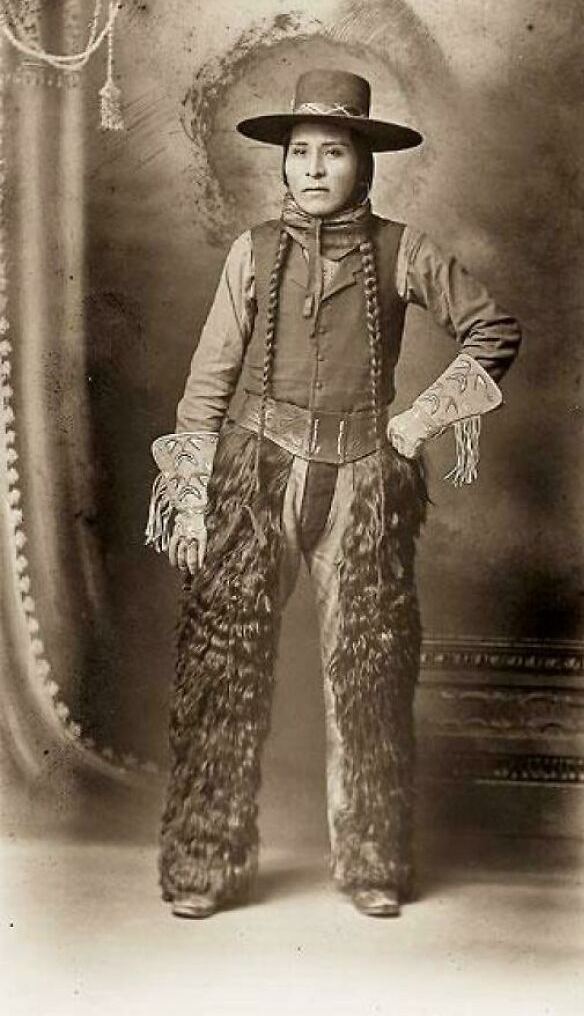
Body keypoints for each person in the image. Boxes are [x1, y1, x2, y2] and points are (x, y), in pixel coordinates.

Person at [145, 69, 521, 920]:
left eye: (335, 153)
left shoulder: (405, 250)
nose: (315, 169)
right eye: (301, 154)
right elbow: (207, 385)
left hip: (363, 484)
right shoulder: (250, 253)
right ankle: (203, 862)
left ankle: (373, 861)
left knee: (371, 675)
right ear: (282, 166)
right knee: (221, 671)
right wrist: (191, 490)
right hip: (256, 478)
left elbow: (494, 329)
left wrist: (421, 419)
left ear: (365, 164)